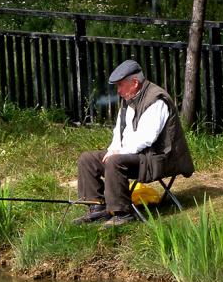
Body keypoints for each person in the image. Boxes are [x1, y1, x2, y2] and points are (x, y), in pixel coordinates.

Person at [73, 59, 195, 227]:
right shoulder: (128, 99)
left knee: (115, 161)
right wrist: (113, 149)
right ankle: (98, 208)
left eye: (120, 85)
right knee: (87, 159)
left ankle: (122, 213)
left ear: (135, 83)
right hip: (137, 156)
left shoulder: (156, 100)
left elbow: (146, 137)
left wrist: (118, 153)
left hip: (158, 159)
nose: (118, 90)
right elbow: (119, 132)